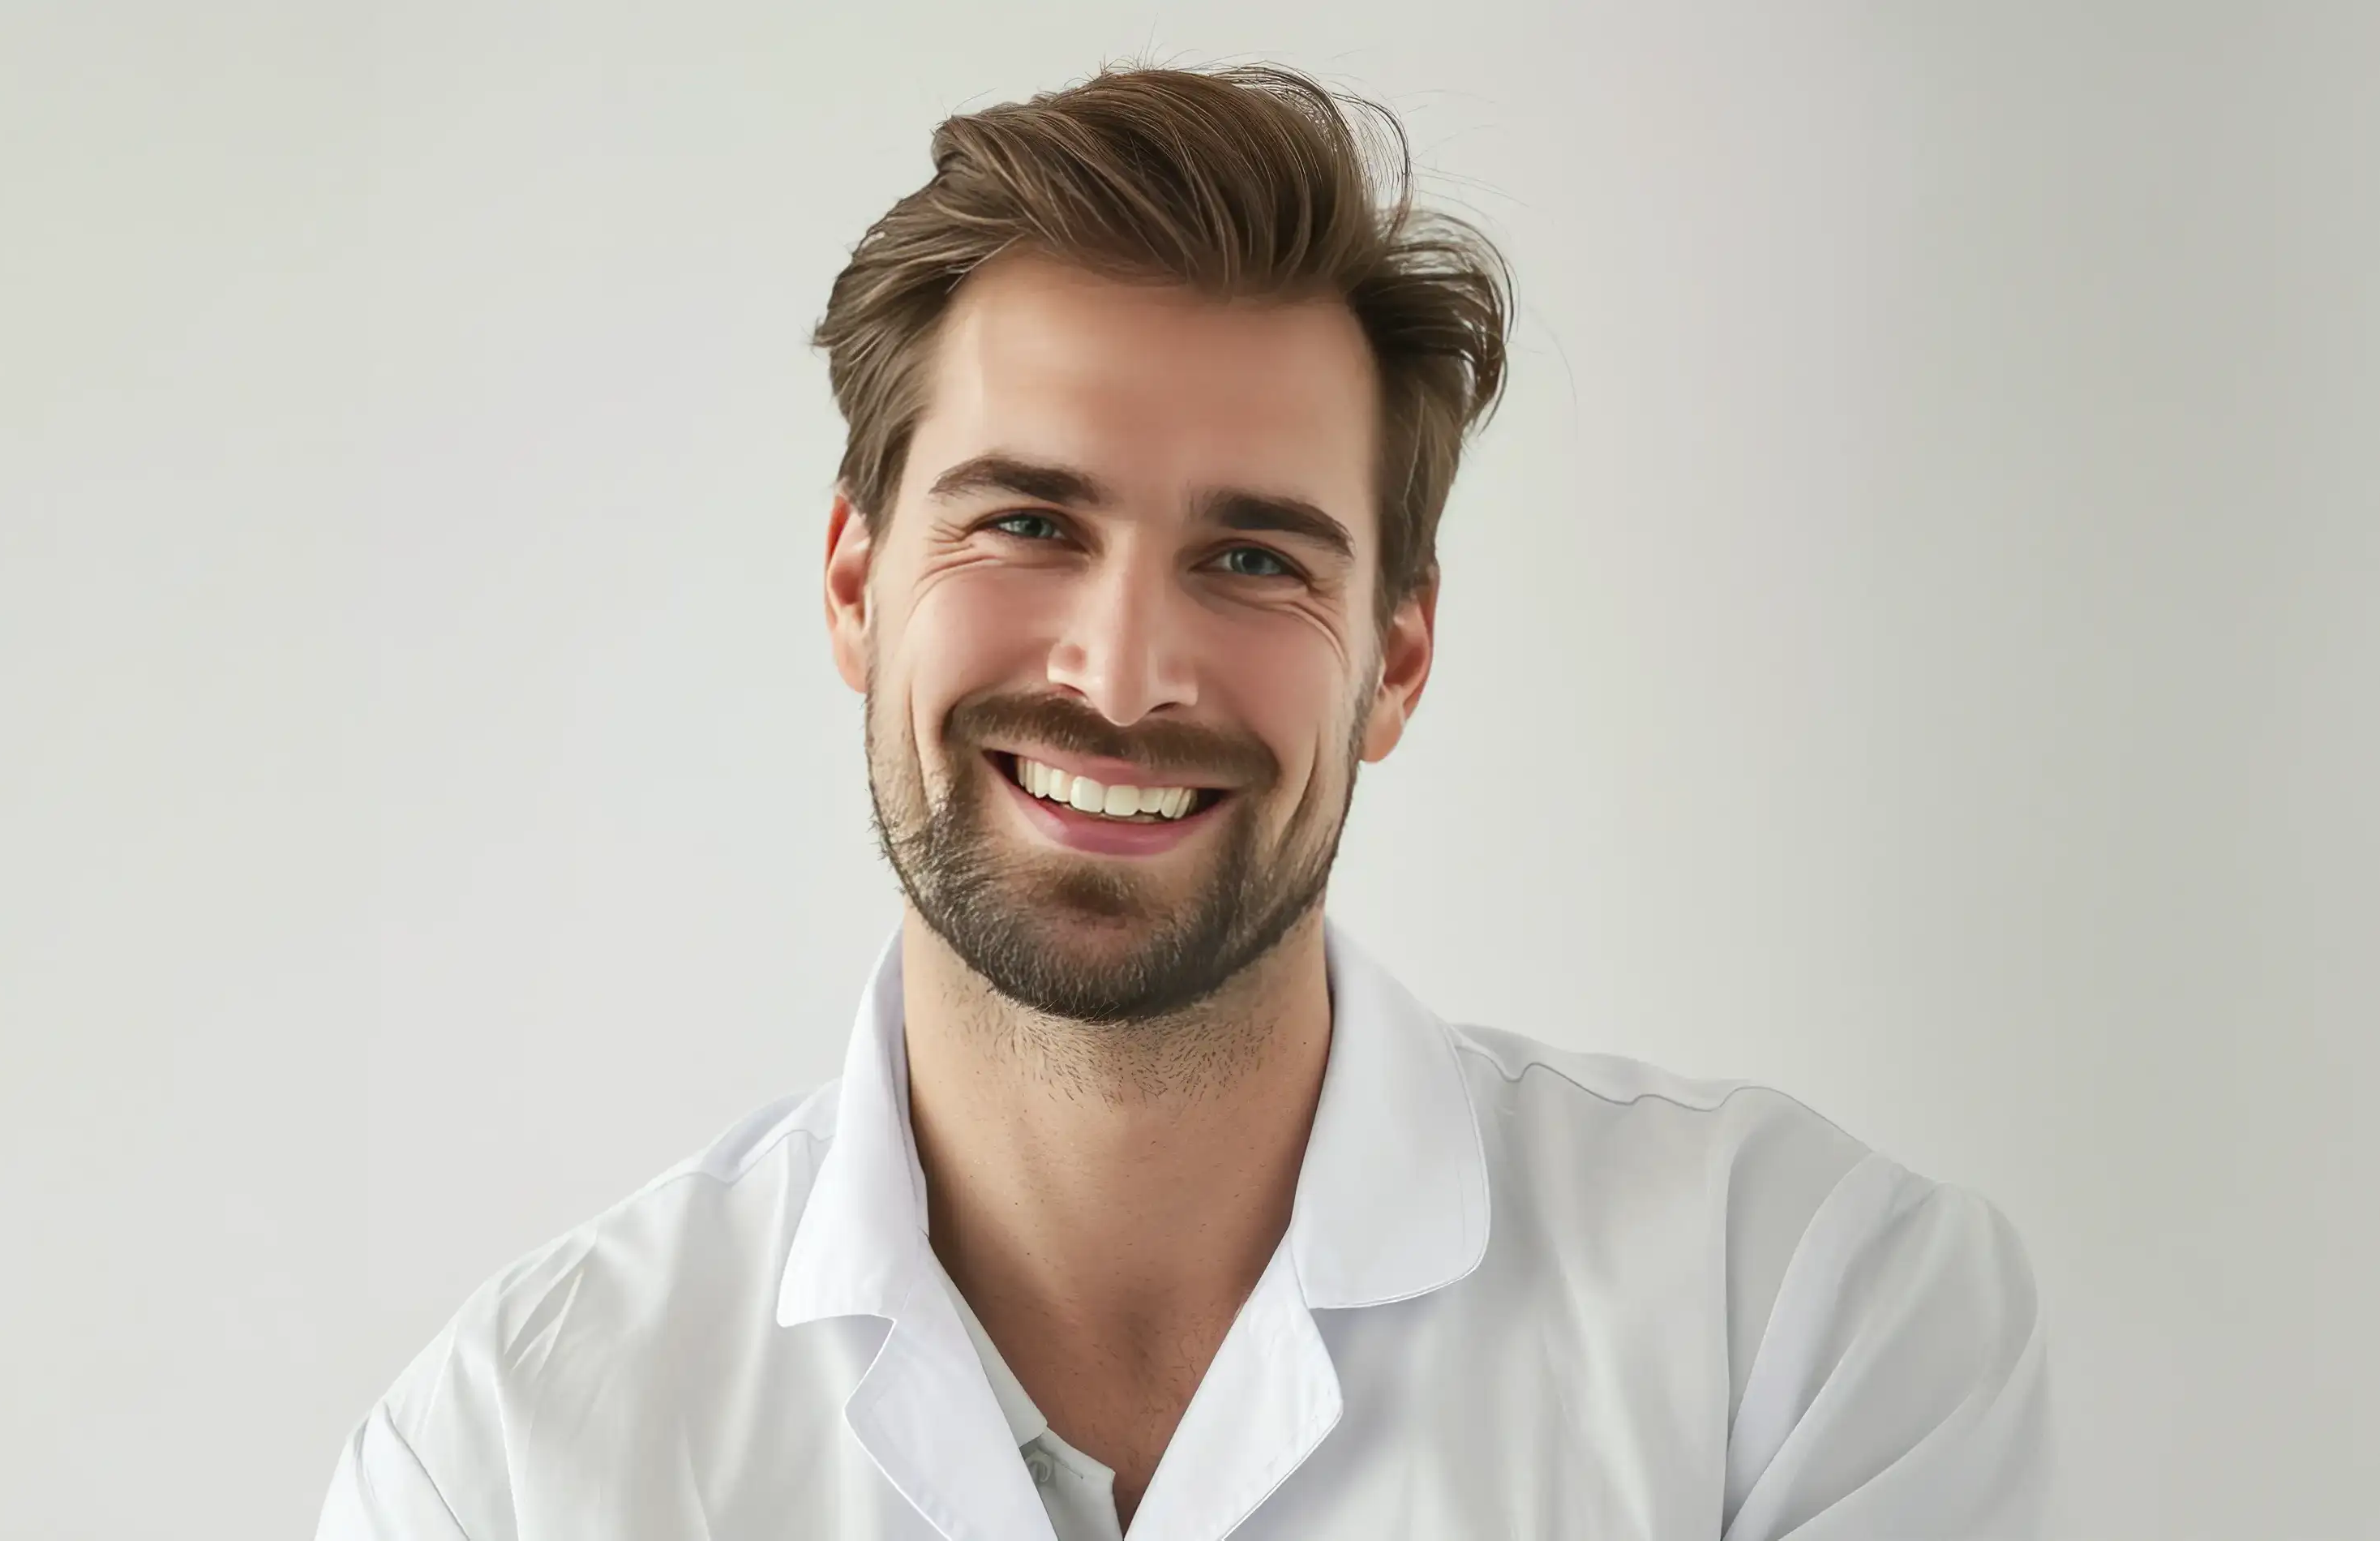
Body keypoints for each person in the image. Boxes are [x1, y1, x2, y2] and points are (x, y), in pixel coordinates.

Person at [316, 62, 2052, 1541]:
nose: (1124, 672)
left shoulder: (1798, 1320)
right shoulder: (512, 1465)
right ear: (853, 579)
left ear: (1396, 656)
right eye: (1025, 523)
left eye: (1247, 555)